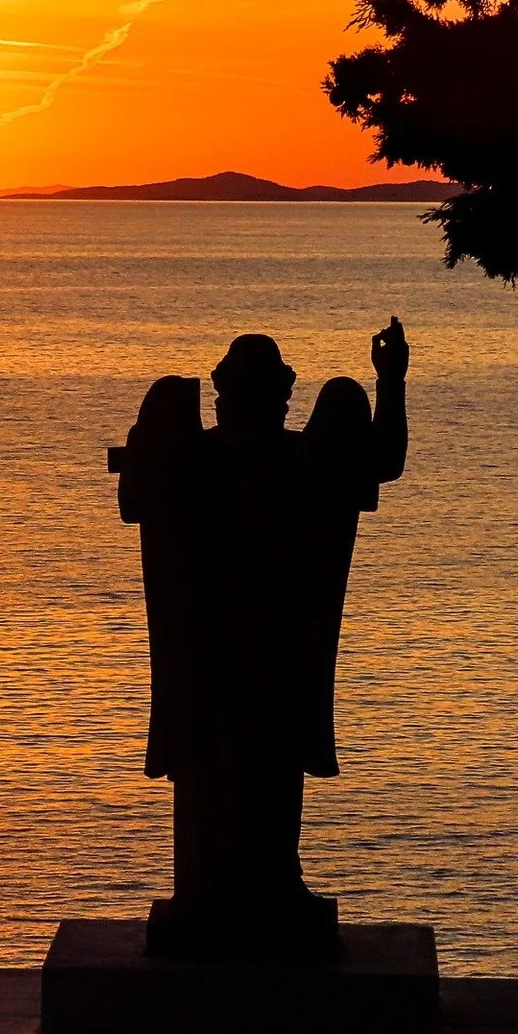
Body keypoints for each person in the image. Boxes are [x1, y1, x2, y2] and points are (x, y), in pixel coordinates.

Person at [117, 319, 409, 955]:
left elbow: (133, 497)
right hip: (259, 643)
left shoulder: (209, 458)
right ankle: (237, 886)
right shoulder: (293, 459)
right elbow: (384, 458)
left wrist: (391, 382)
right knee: (249, 767)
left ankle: (227, 887)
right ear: (278, 396)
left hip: (235, 646)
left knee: (230, 767)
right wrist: (389, 382)